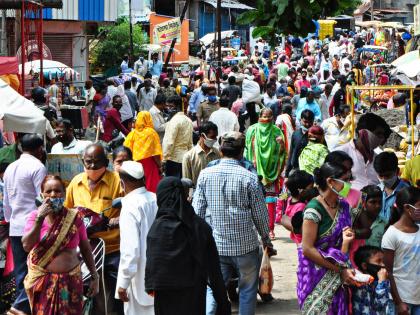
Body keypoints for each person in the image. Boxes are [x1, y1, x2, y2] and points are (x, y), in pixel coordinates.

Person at [193, 131, 271, 315]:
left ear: (221, 151)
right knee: (247, 291)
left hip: (216, 246)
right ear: (241, 152)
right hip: (246, 247)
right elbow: (260, 216)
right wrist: (266, 238)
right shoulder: (250, 178)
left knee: (212, 290)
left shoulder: (205, 175)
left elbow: (197, 213)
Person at [145, 177, 231, 315]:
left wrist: (150, 286)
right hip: (193, 297)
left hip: (165, 300)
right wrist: (222, 302)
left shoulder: (157, 229)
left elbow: (152, 268)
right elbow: (214, 271)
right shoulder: (199, 227)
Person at [22, 175, 99, 314]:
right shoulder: (34, 217)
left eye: (57, 191)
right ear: (42, 195)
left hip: (71, 282)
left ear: (64, 193)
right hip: (43, 283)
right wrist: (39, 220)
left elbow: (85, 248)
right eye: (48, 191)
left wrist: (95, 276)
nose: (53, 195)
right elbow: (27, 246)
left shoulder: (74, 217)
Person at [64, 143, 123, 315]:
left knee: (111, 298)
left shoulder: (117, 181)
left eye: (96, 162)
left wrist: (110, 222)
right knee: (85, 296)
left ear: (106, 162)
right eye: (88, 162)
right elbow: (66, 211)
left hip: (111, 249)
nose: (91, 167)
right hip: (82, 249)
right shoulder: (76, 182)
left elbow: (130, 211)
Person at [298, 162, 357, 314]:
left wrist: (346, 242)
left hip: (339, 277)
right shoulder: (314, 210)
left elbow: (342, 246)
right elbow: (307, 248)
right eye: (346, 180)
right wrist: (339, 269)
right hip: (315, 277)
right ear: (330, 181)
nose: (349, 184)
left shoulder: (344, 206)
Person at [3, 134, 47, 315]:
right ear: (40, 149)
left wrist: (10, 220)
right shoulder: (37, 167)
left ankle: (23, 307)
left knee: (22, 270)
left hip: (15, 225)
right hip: (33, 226)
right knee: (37, 269)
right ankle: (19, 307)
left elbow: (6, 202)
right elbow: (43, 199)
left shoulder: (10, 167)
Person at [115, 162, 157, 315]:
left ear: (122, 183)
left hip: (138, 280)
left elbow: (131, 251)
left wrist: (123, 283)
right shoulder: (155, 198)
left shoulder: (129, 206)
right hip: (158, 277)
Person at [245, 108, 286, 239]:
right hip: (255, 171)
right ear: (259, 116)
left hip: (272, 172)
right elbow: (246, 151)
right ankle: (255, 229)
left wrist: (281, 145)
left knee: (271, 203)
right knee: (254, 201)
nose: (266, 119)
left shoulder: (277, 131)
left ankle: (270, 229)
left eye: (269, 116)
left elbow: (282, 153)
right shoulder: (252, 130)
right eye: (264, 116)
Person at [382, 187, 420, 315]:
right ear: (407, 208)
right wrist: (398, 302)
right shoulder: (392, 235)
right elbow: (388, 271)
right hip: (402, 299)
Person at [335, 113, 391, 190]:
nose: (381, 138)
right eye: (378, 133)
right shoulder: (341, 153)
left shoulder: (378, 158)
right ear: (363, 132)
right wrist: (354, 197)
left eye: (382, 135)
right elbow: (335, 184)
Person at [366, 152, 410, 248]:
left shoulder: (408, 195)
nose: (384, 179)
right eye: (380, 176)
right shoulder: (374, 192)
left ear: (397, 171)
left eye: (388, 175)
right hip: (375, 244)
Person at [123, 112, 163, 193]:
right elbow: (155, 153)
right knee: (151, 186)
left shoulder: (132, 133)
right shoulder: (151, 133)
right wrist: (160, 166)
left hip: (136, 164)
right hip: (150, 164)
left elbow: (126, 149)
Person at [352, 245, 391, 315]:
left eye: (383, 261)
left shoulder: (376, 279)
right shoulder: (360, 281)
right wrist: (382, 282)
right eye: (378, 261)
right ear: (364, 266)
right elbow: (380, 305)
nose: (383, 264)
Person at [162, 95, 193, 178]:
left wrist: (164, 159)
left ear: (178, 106)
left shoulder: (174, 121)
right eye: (167, 106)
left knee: (173, 185)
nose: (168, 109)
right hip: (185, 158)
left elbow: (169, 142)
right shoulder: (188, 120)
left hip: (173, 159)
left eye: (171, 106)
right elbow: (190, 143)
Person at [280, 170, 315, 244]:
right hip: (303, 241)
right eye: (311, 187)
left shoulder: (290, 200)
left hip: (297, 240)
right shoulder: (301, 207)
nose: (312, 190)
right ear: (301, 190)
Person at [182, 122, 220, 187]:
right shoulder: (189, 156)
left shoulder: (217, 153)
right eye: (212, 137)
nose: (215, 140)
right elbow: (187, 182)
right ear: (202, 136)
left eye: (216, 137)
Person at [286, 109, 314, 176]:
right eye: (305, 122)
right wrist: (287, 173)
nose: (307, 124)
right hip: (296, 169)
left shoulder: (317, 134)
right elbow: (291, 152)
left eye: (310, 122)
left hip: (310, 170)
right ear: (300, 119)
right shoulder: (295, 134)